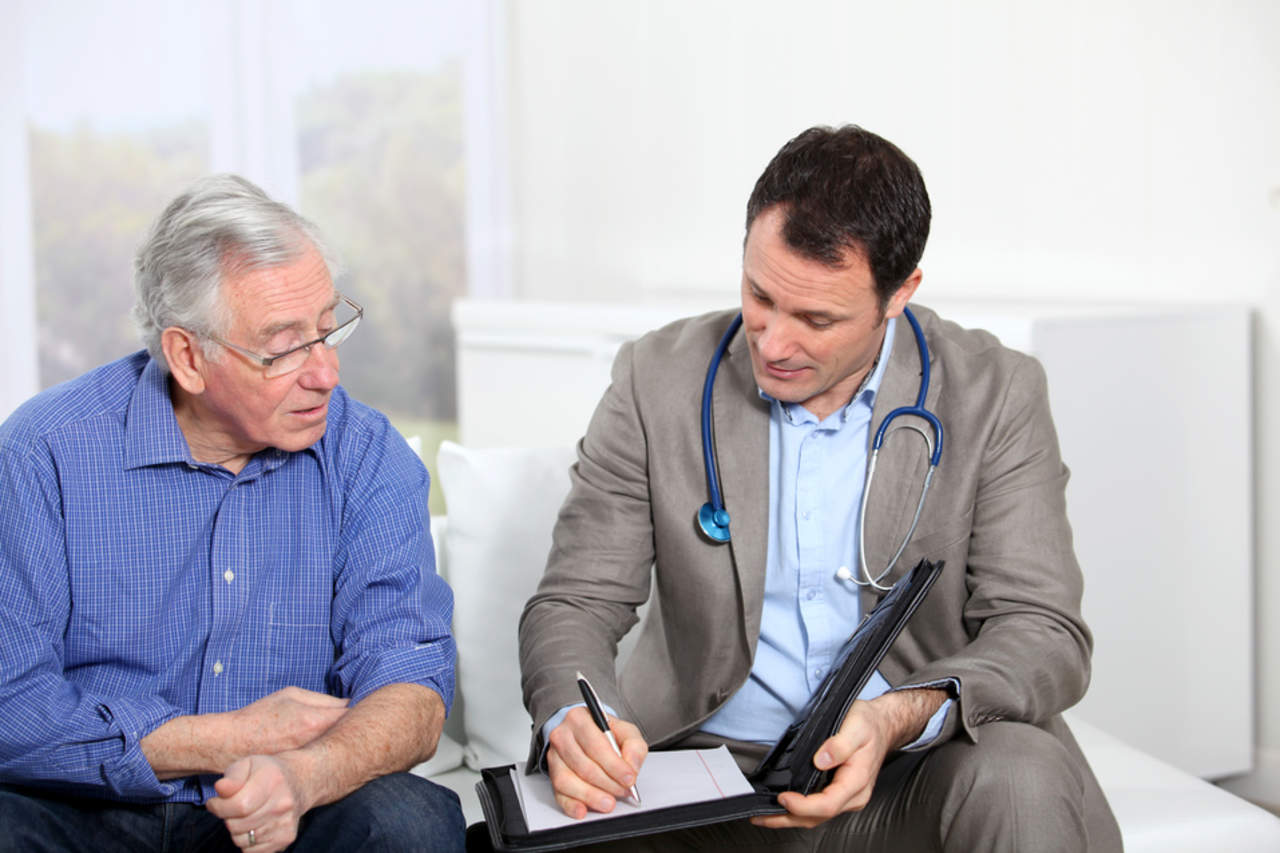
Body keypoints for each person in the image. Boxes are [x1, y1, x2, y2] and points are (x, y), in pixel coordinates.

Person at [515, 126, 1122, 851]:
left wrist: (899, 713)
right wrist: (574, 718)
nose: (773, 343)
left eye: (817, 319)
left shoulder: (995, 393)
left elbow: (1043, 629)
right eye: (760, 295)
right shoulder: (656, 380)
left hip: (902, 774)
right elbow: (575, 601)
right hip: (704, 786)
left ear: (900, 293)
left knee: (1018, 771)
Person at [0, 175, 465, 852]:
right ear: (188, 357)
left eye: (327, 330)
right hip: (83, 808)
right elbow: (10, 706)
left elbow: (411, 685)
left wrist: (306, 774)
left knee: (412, 823)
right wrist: (222, 739)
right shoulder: (42, 452)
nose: (325, 374)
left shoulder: (367, 454)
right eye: (284, 347)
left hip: (289, 805)